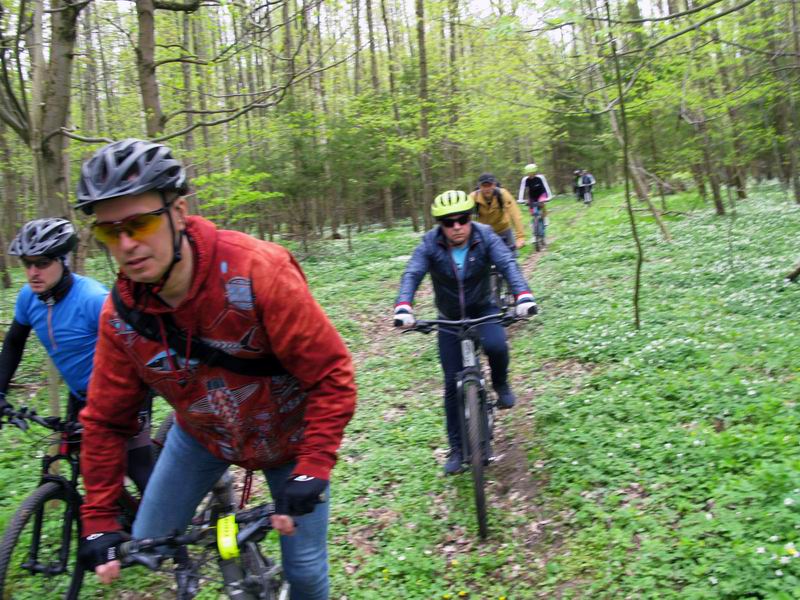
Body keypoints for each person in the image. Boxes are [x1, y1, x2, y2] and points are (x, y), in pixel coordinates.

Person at [74, 138, 357, 600]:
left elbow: (331, 375)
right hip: (202, 435)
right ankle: (222, 497)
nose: (127, 244)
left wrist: (315, 465)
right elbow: (106, 420)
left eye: (140, 223)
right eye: (110, 232)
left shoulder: (258, 272)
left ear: (179, 212)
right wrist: (99, 518)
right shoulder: (120, 318)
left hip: (289, 437)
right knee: (148, 542)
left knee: (304, 572)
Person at [0, 218, 153, 493]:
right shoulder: (28, 297)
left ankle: (168, 526)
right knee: (86, 466)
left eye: (42, 263)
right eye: (27, 263)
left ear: (63, 259)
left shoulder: (93, 299)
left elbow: (137, 348)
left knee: (138, 468)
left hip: (125, 391)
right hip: (81, 393)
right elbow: (13, 343)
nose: (33, 272)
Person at [393, 190, 537, 475]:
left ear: (471, 218)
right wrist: (403, 306)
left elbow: (507, 264)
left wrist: (523, 295)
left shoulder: (484, 236)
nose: (457, 226)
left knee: (497, 346)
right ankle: (458, 449)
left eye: (463, 219)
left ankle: (500, 384)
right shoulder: (430, 244)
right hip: (449, 318)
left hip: (483, 308)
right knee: (450, 385)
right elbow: (412, 273)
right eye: (449, 222)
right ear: (440, 224)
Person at [470, 173, 526, 254]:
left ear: (494, 185)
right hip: (485, 233)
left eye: (489, 185)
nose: (487, 188)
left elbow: (515, 214)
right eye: (484, 185)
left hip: (503, 229)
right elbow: (465, 215)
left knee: (511, 258)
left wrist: (520, 237)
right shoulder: (473, 197)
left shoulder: (502, 194)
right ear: (479, 186)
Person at [518, 163, 553, 230]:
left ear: (535, 172)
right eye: (528, 173)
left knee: (542, 203)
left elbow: (546, 187)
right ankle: (535, 224)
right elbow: (522, 189)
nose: (530, 175)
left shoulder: (540, 178)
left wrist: (549, 197)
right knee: (532, 210)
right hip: (532, 196)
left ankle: (545, 218)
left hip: (542, 194)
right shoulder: (525, 180)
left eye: (532, 173)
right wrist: (520, 199)